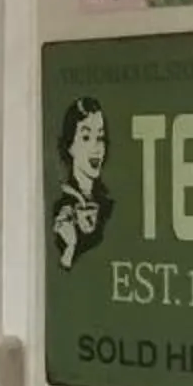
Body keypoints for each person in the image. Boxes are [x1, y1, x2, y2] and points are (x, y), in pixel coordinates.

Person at [50, 96, 113, 269]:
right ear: (70, 146)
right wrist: (70, 247)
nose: (96, 148)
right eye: (86, 137)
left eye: (100, 137)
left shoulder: (108, 203)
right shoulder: (61, 208)